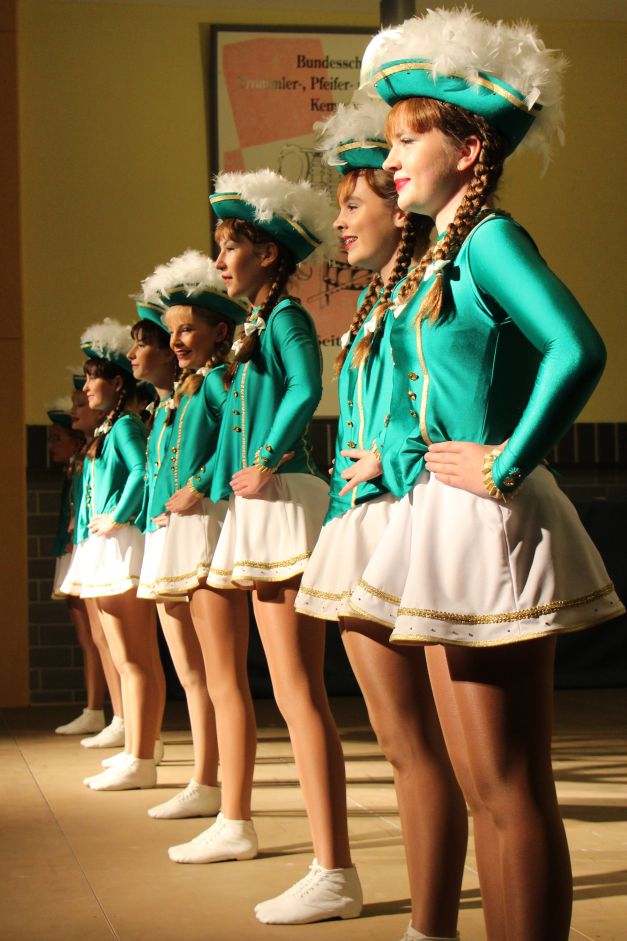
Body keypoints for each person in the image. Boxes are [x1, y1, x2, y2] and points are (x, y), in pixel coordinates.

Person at [340, 10, 625, 940]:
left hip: (486, 518)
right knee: (481, 787)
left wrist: (508, 460)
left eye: (406, 140)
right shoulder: (444, 250)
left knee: (508, 787)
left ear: (468, 149)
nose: (390, 160)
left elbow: (577, 347)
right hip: (443, 515)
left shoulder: (492, 238)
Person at [165, 169, 362, 926]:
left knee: (297, 691)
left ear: (269, 254)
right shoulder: (253, 325)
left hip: (282, 497)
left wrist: (268, 458)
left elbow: (308, 386)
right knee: (284, 688)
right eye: (219, 247)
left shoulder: (283, 317)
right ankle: (260, 832)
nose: (220, 260)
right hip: (259, 500)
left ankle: (333, 868)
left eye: (231, 246)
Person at [295, 93, 467, 939]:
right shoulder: (376, 297)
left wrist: (393, 458)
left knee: (421, 742)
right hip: (359, 516)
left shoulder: (425, 284)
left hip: (402, 515)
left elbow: (442, 393)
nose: (339, 220)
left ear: (398, 210)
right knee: (396, 741)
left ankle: (431, 925)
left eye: (352, 203)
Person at [133, 258, 246, 819]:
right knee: (188, 670)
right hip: (172, 531)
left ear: (219, 332)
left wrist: (199, 486)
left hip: (205, 526)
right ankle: (203, 780)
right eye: (171, 331)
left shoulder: (221, 381)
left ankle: (216, 787)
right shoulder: (182, 391)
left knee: (217, 673)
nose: (175, 340)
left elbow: (238, 433)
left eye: (186, 330)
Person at [61, 319, 166, 790]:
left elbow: (143, 472)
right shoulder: (110, 427)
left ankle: (141, 755)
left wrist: (118, 516)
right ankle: (138, 748)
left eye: (93, 379)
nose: (86, 389)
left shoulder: (124, 425)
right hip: (106, 545)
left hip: (121, 544)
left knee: (135, 657)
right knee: (126, 657)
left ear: (118, 384)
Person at [47, 395, 107, 736]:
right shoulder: (76, 465)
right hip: (71, 546)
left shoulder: (88, 460)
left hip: (83, 545)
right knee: (88, 634)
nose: (52, 446)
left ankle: (98, 708)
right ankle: (94, 708)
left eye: (58, 438)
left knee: (95, 635)